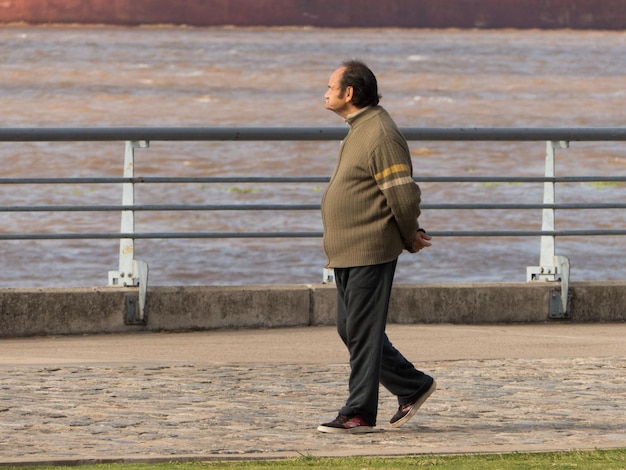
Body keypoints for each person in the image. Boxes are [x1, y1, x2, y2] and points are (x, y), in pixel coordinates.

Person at [317, 60, 436, 434]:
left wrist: (408, 233)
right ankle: (411, 385)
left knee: (362, 331)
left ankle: (358, 412)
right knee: (351, 329)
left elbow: (402, 194)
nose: (325, 91)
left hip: (370, 246)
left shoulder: (381, 133)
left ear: (349, 93)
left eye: (330, 85)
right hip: (348, 249)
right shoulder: (360, 128)